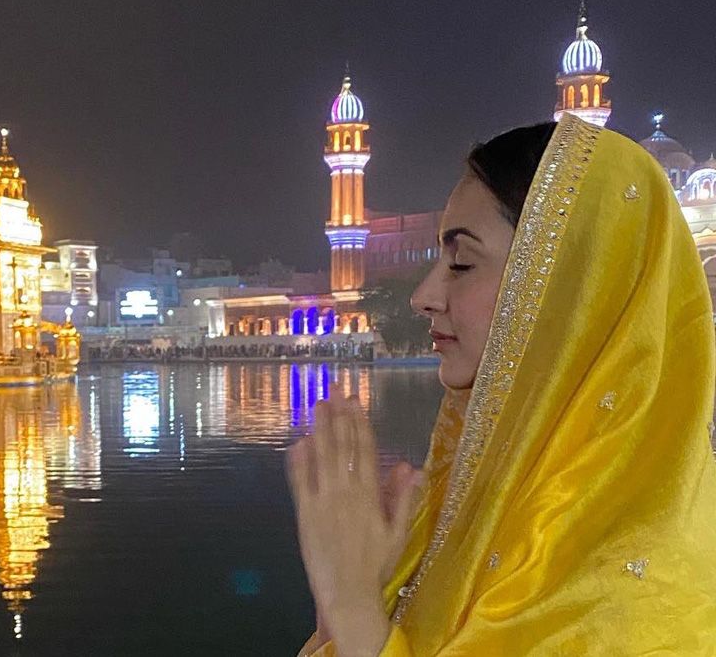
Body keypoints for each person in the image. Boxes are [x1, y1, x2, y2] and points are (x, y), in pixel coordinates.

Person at [288, 114, 716, 655]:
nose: (422, 295)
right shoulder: (474, 509)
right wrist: (354, 597)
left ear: (570, 284)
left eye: (461, 263)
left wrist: (351, 606)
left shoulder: (635, 598)